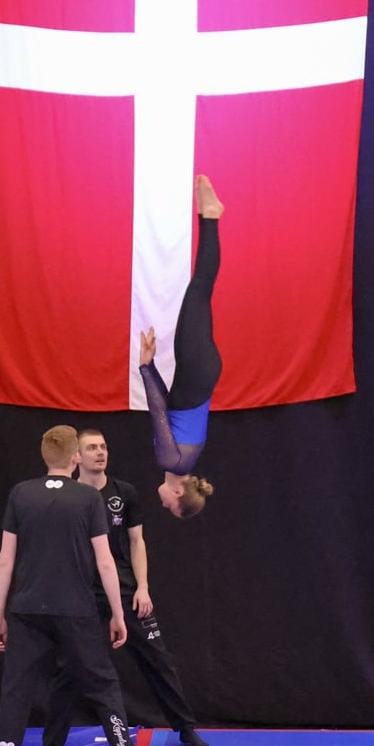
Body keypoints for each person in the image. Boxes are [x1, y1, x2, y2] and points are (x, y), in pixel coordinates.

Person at [0, 425, 161, 746]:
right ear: (75, 457)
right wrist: (118, 614)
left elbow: (5, 559)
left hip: (26, 610)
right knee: (105, 688)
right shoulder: (87, 498)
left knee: (16, 693)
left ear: (45, 456)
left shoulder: (21, 494)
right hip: (76, 610)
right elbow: (105, 561)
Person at [37, 429, 208, 746]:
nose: (100, 452)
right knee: (69, 668)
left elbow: (136, 542)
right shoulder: (66, 496)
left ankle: (185, 727)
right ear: (77, 456)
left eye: (103, 446)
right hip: (82, 596)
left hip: (125, 592)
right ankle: (51, 744)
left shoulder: (123, 493)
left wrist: (142, 586)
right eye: (91, 448)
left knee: (158, 660)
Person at [139, 174, 224, 518]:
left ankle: (209, 216)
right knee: (199, 290)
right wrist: (145, 368)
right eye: (169, 505)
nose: (162, 502)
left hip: (200, 374)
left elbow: (168, 404)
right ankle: (212, 216)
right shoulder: (170, 459)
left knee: (199, 292)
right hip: (197, 369)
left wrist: (152, 365)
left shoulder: (184, 458)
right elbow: (158, 409)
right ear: (178, 492)